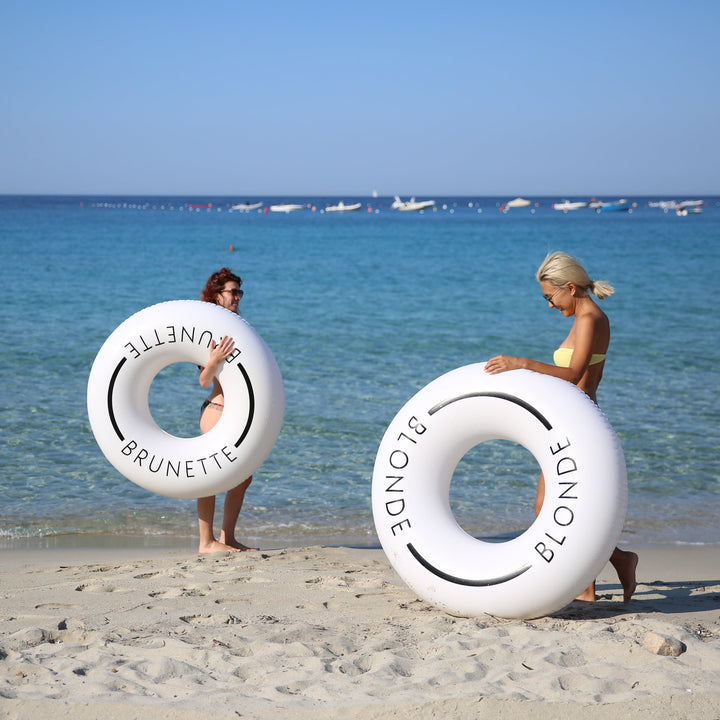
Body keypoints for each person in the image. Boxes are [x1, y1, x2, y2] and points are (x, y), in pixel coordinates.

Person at [484, 252, 638, 603]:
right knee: (556, 505)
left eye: (550, 297)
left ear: (569, 287)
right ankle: (598, 577)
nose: (550, 305)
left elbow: (572, 374)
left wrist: (520, 363)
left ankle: (611, 566)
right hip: (566, 422)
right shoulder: (583, 316)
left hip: (581, 425)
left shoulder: (590, 319)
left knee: (550, 506)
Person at [197, 267, 257, 554]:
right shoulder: (208, 331)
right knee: (211, 476)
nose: (238, 298)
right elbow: (203, 380)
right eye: (233, 293)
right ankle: (206, 542)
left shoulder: (237, 327)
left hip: (238, 414)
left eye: (239, 293)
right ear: (216, 296)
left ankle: (228, 537)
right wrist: (215, 359)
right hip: (217, 410)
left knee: (244, 476)